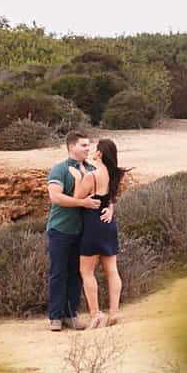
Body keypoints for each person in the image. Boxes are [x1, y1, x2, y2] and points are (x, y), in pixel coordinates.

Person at [45, 131, 108, 331]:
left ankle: (71, 315)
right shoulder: (59, 169)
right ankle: (55, 317)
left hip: (84, 231)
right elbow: (55, 197)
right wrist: (82, 202)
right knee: (58, 272)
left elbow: (107, 194)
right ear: (71, 147)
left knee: (77, 274)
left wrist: (109, 208)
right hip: (61, 229)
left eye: (88, 145)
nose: (87, 149)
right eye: (83, 145)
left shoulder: (91, 170)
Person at [73, 138, 124, 328]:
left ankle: (95, 314)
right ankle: (114, 312)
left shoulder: (91, 176)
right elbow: (110, 199)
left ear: (100, 153)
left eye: (95, 149)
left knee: (86, 271)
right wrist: (110, 208)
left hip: (93, 224)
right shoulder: (113, 174)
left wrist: (78, 178)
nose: (93, 152)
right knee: (112, 271)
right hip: (108, 223)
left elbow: (77, 199)